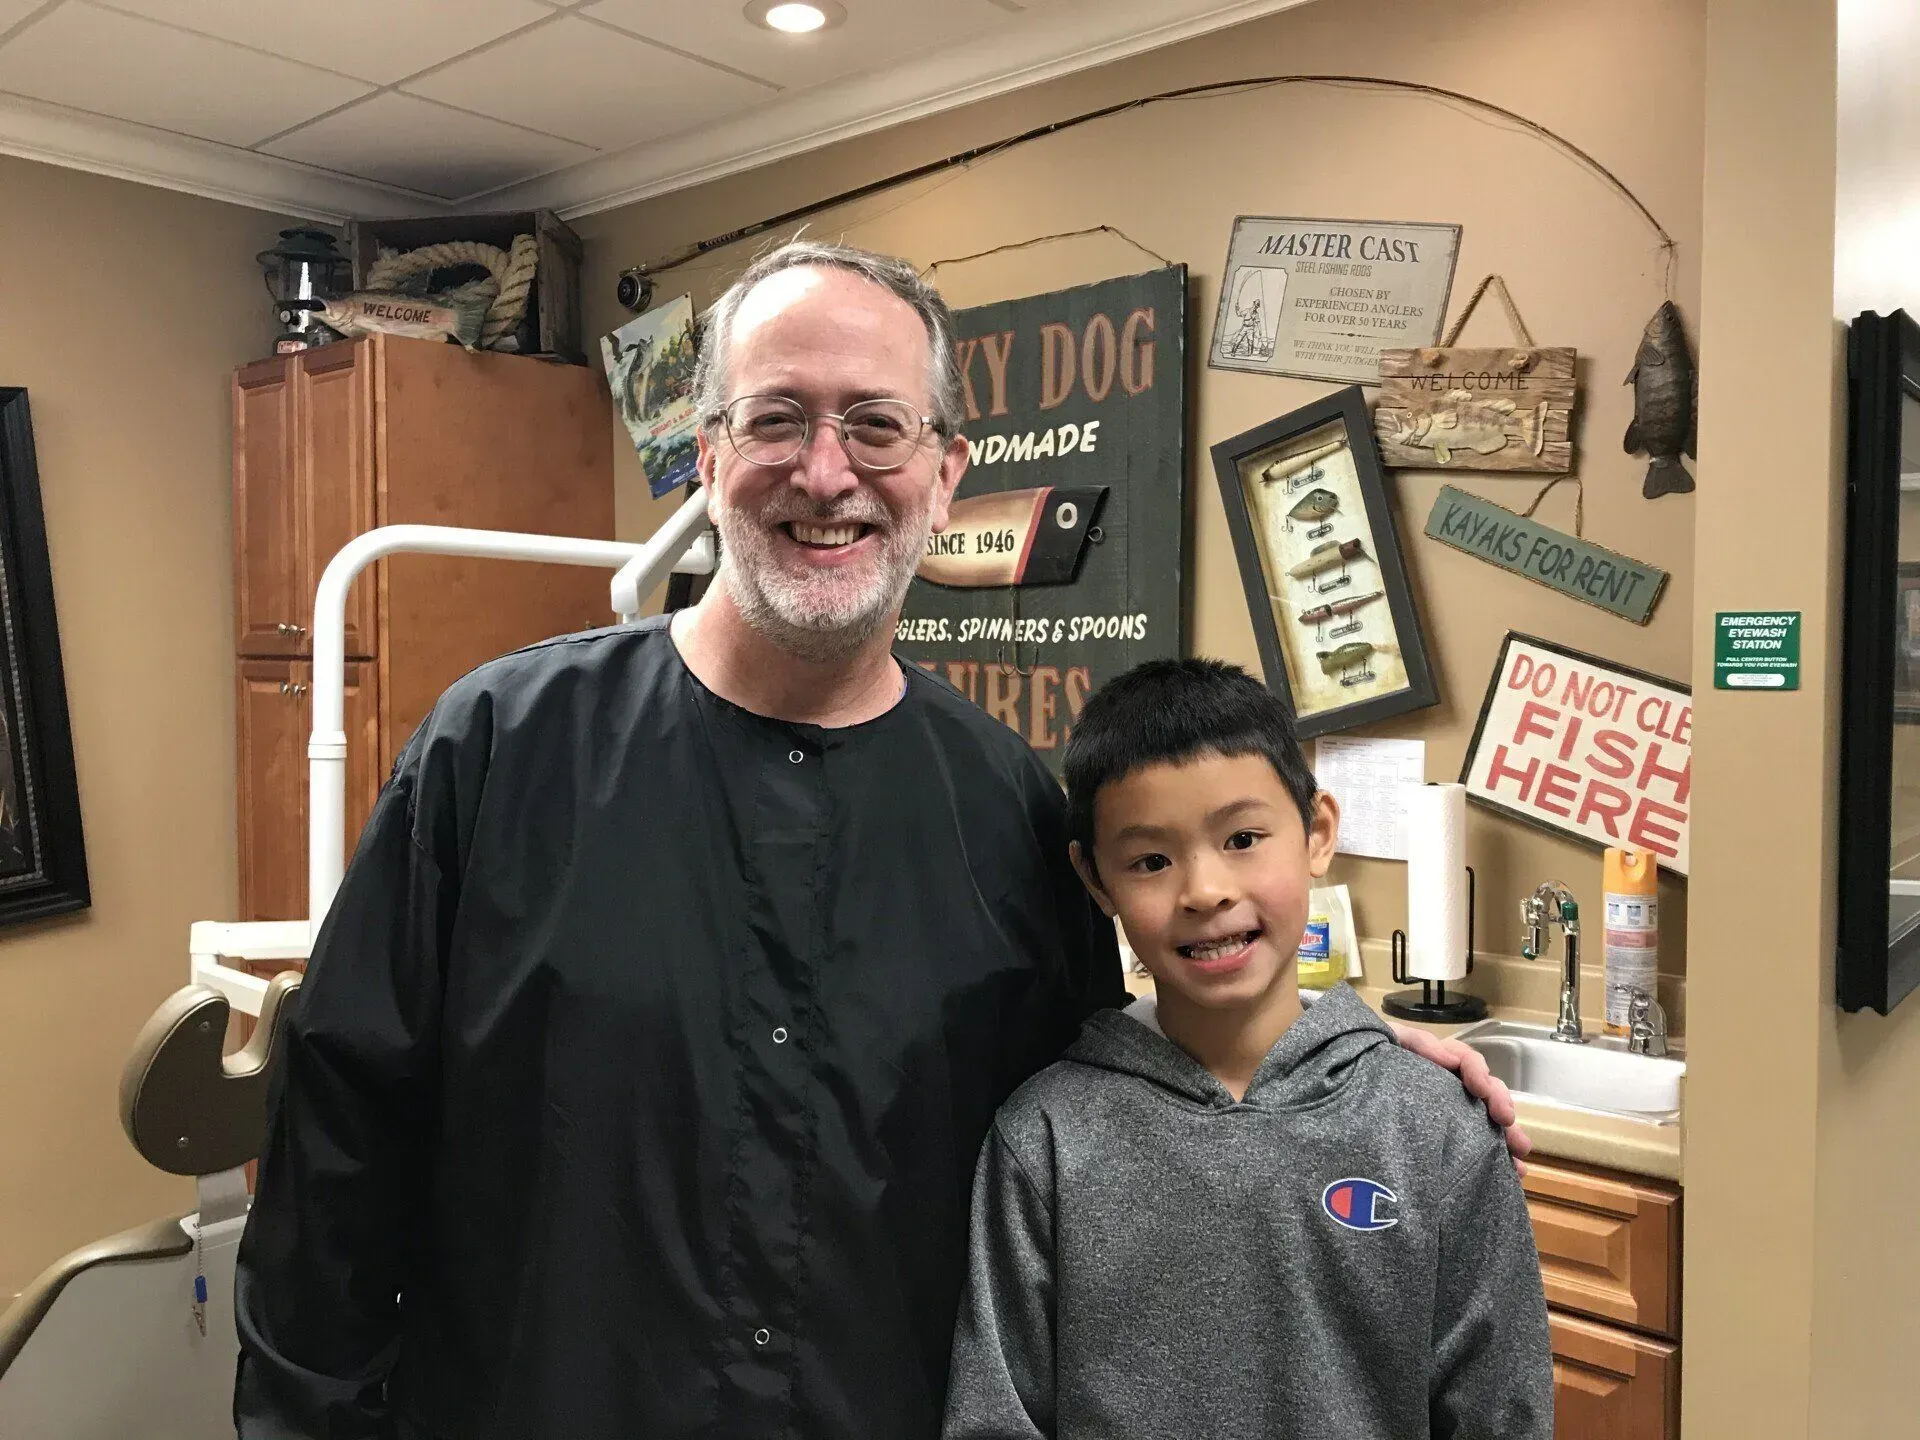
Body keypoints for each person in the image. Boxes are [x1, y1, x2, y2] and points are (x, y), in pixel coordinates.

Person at [233, 239, 1526, 1440]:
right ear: (706, 453)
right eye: (776, 418)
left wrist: (1344, 1056)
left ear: (946, 472)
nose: (825, 472)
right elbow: (334, 1158)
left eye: (875, 424)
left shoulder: (1010, 814)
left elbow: (1121, 1105)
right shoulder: (500, 753)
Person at [942, 657, 1554, 1440]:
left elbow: (1502, 1413)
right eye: (1151, 861)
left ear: (1318, 833)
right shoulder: (1044, 1140)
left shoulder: (1436, 1131)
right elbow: (997, 1417)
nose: (1205, 890)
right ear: (1095, 881)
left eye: (1242, 838)